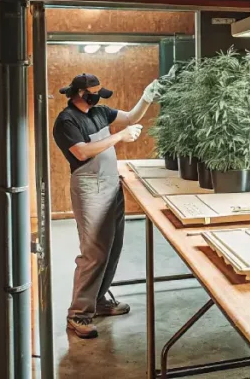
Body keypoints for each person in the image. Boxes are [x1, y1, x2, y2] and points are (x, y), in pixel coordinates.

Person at [52, 73, 161, 339]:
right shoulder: (66, 120)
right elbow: (82, 152)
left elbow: (131, 118)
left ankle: (98, 301)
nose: (98, 95)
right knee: (94, 253)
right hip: (90, 186)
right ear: (78, 93)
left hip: (112, 184)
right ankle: (78, 315)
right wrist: (120, 137)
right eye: (93, 91)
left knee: (112, 248)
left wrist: (147, 97)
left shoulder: (100, 111)